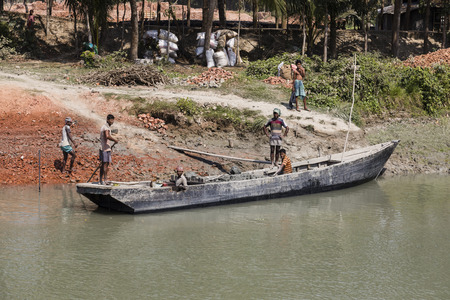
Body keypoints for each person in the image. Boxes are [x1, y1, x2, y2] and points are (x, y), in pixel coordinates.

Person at [99, 114, 119, 185]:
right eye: (111, 120)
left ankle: (101, 180)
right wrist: (115, 140)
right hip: (105, 148)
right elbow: (107, 136)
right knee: (105, 164)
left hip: (105, 148)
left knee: (104, 164)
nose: (112, 121)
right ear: (107, 120)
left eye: (113, 120)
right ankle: (105, 180)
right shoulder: (106, 127)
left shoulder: (105, 127)